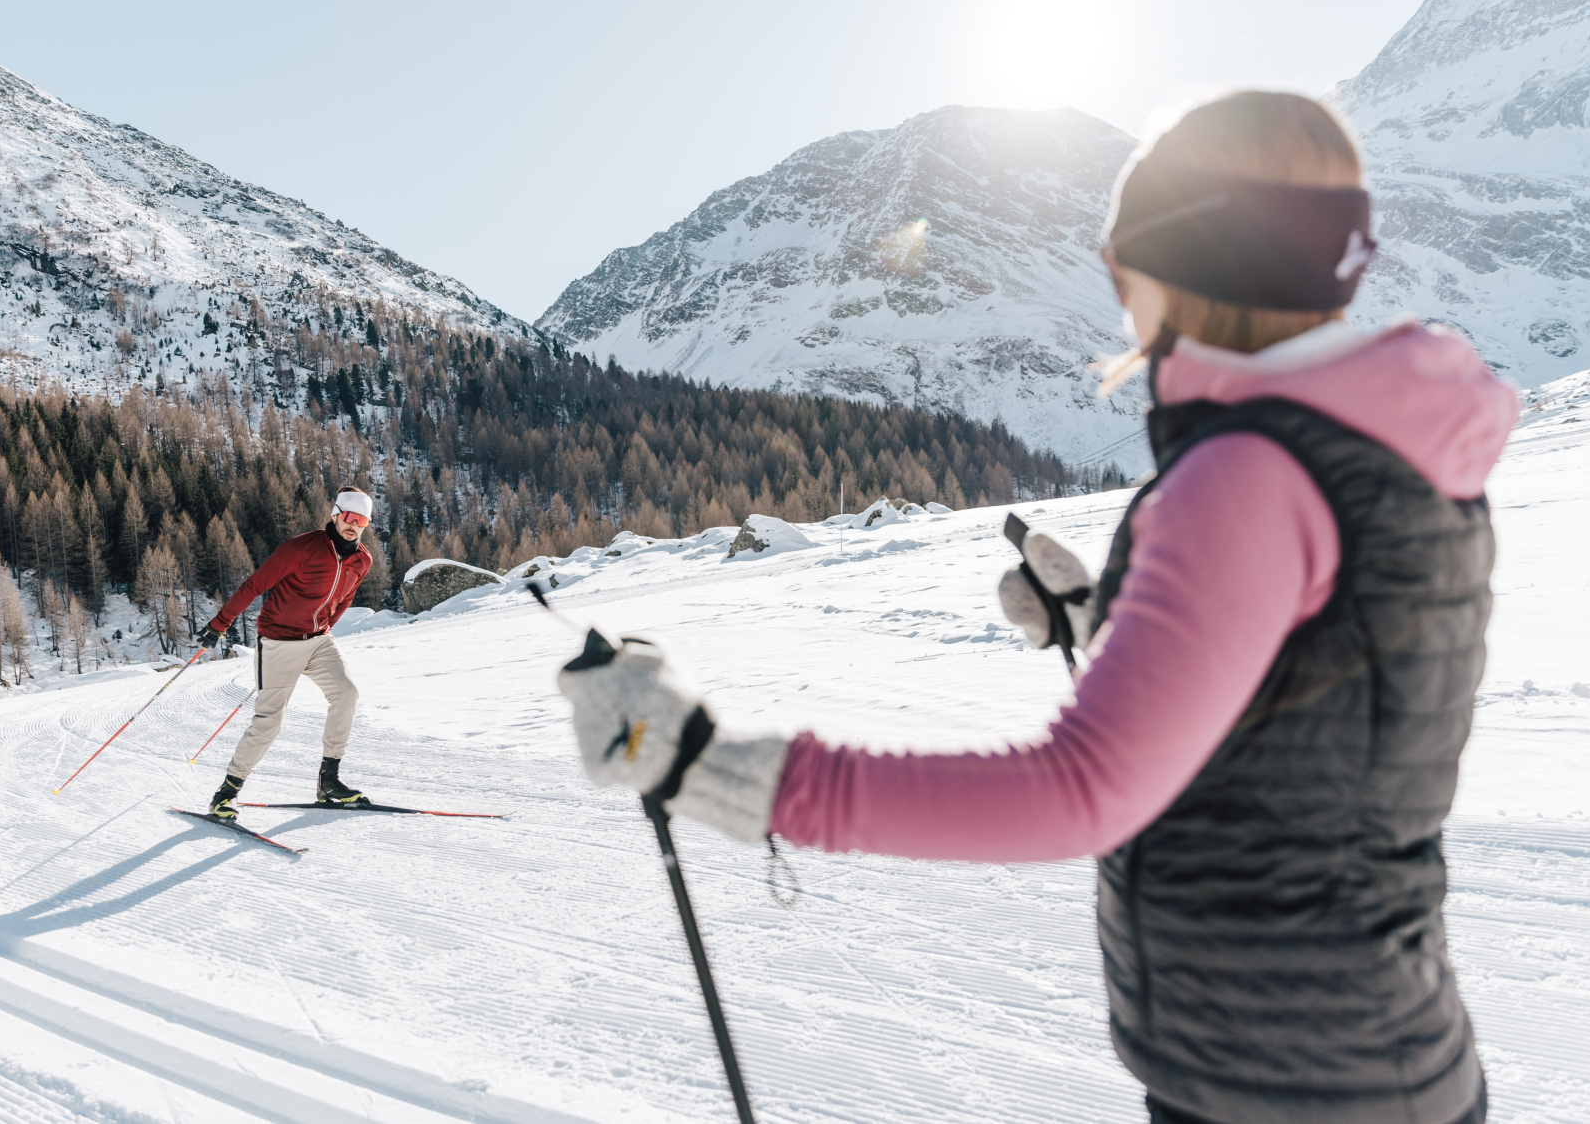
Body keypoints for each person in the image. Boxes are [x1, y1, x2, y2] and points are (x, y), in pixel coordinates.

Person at [556, 91, 1518, 1124]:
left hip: (1290, 1082)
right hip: (1353, 1056)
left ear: (1175, 263)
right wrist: (1108, 623)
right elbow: (1308, 714)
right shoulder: (1382, 454)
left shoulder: (1246, 472)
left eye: (1119, 265)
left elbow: (1082, 789)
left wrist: (716, 768)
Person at [200, 486, 377, 819]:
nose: (354, 525)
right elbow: (255, 585)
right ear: (336, 514)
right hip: (280, 642)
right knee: (269, 722)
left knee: (347, 693)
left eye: (362, 520)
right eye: (350, 517)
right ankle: (226, 793)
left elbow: (345, 599)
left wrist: (325, 626)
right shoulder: (300, 548)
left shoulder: (362, 560)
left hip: (319, 641)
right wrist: (220, 623)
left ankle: (329, 782)